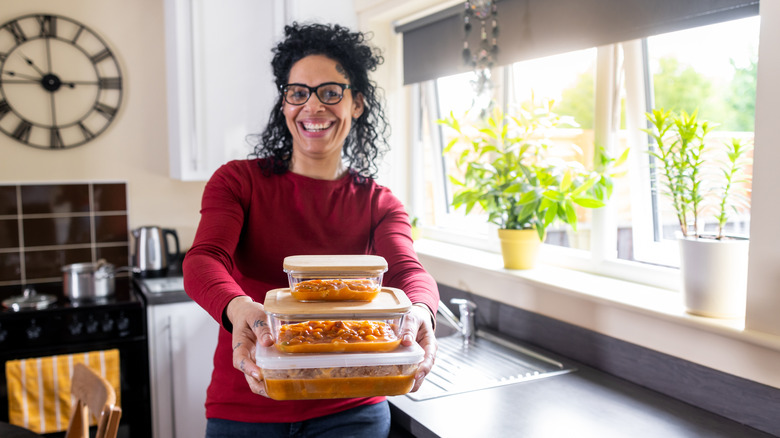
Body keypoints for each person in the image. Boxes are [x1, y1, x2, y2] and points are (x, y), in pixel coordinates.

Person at [183, 22, 440, 438]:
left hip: (353, 410)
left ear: (357, 102)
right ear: (284, 104)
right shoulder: (237, 182)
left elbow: (408, 271)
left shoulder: (379, 202)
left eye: (331, 92)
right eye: (298, 93)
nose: (313, 107)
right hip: (248, 403)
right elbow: (203, 259)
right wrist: (239, 308)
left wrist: (422, 309)